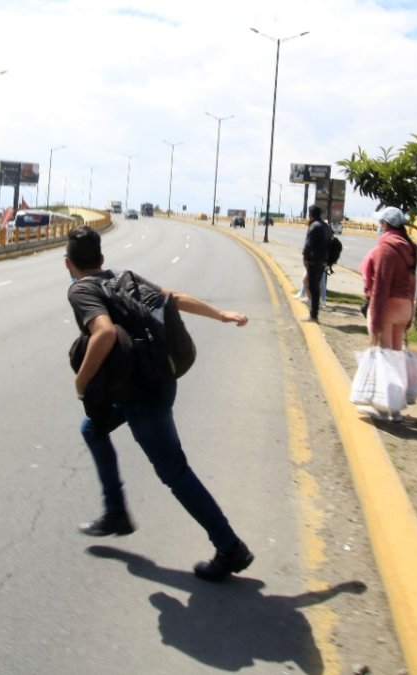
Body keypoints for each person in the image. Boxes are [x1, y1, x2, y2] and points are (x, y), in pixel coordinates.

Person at [65, 225, 254, 582]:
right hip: (158, 380)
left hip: (142, 394)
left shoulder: (81, 289)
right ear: (102, 259)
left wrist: (81, 382)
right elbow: (174, 297)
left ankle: (230, 547)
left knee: (174, 472)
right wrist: (221, 314)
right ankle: (116, 510)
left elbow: (104, 333)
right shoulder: (124, 277)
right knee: (92, 428)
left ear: (67, 264)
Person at [359, 206, 417, 420]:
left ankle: (384, 408)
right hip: (404, 306)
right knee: (395, 356)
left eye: (380, 224)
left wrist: (374, 320)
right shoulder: (407, 247)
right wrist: (411, 314)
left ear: (385, 225)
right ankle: (396, 407)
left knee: (384, 357)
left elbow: (380, 287)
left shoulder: (386, 248)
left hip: (389, 306)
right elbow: (412, 283)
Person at [300, 206, 332, 322]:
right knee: (315, 287)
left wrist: (305, 258)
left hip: (314, 261)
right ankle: (314, 313)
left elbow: (308, 244)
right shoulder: (325, 226)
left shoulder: (314, 226)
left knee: (313, 287)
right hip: (323, 260)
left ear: (311, 214)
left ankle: (313, 315)